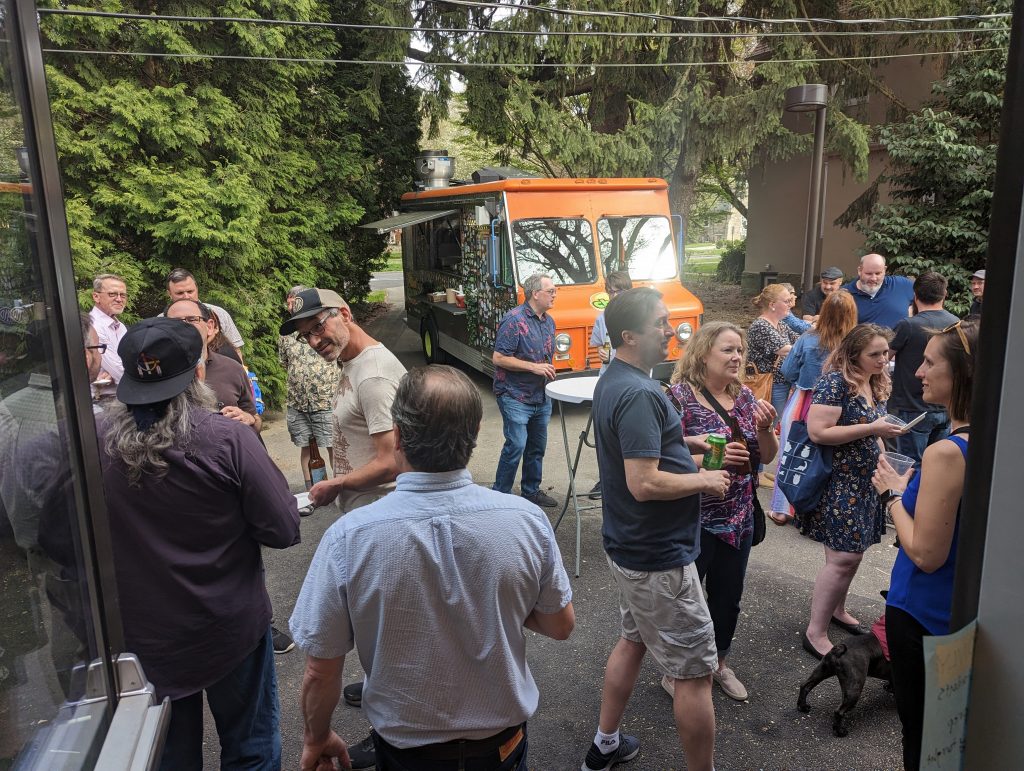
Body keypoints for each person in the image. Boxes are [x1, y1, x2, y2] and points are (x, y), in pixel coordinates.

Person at [290, 365, 575, 771]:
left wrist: (316, 737)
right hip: (501, 746)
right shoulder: (526, 520)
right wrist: (497, 599)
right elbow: (560, 625)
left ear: (399, 435)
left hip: (406, 752)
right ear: (476, 432)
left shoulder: (349, 538)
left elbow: (321, 668)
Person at [100, 317, 300, 769]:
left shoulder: (92, 443)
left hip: (144, 639)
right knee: (250, 746)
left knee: (168, 756)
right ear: (198, 375)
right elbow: (283, 529)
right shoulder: (228, 439)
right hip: (228, 627)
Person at [583, 287, 730, 771]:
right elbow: (643, 482)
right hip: (657, 558)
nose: (673, 331)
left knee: (634, 639)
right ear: (629, 335)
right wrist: (703, 478)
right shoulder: (641, 392)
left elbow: (636, 446)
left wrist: (678, 438)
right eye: (661, 323)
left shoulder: (616, 379)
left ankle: (605, 745)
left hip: (629, 547)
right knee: (694, 675)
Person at [281, 286, 405, 769]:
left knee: (384, 628)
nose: (314, 340)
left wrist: (334, 486)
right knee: (373, 622)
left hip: (383, 521)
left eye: (320, 327)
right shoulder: (352, 363)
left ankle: (388, 729)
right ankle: (378, 686)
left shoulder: (372, 376)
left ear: (345, 315)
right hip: (366, 512)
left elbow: (392, 461)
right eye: (306, 334)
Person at [871, 319, 977, 771]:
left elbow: (926, 554)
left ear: (962, 376)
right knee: (951, 737)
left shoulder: (948, 452)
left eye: (931, 362)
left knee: (923, 740)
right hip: (959, 612)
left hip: (922, 613)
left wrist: (892, 493)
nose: (918, 372)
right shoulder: (992, 438)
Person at [667, 322, 778, 701]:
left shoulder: (746, 397)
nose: (737, 357)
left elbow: (766, 456)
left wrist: (766, 429)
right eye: (728, 350)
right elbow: (662, 454)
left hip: (739, 515)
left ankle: (718, 664)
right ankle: (677, 670)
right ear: (702, 354)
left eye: (739, 351)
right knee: (687, 598)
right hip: (693, 516)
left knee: (728, 595)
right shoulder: (678, 398)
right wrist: (706, 459)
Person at [800, 324, 906, 658]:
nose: (882, 359)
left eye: (885, 353)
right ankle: (815, 632)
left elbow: (868, 429)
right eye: (874, 354)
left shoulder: (873, 381)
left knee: (852, 553)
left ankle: (836, 609)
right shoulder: (836, 382)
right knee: (844, 557)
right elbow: (818, 432)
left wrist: (882, 447)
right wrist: (874, 427)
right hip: (840, 481)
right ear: (853, 353)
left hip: (865, 481)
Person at [770, 290, 859, 525]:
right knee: (832, 458)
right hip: (843, 403)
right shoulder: (856, 342)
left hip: (805, 401)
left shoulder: (808, 338)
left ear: (825, 312)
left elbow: (788, 371)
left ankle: (783, 509)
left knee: (792, 453)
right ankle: (821, 510)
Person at [491, 272, 558, 508]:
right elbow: (498, 358)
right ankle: (500, 496)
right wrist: (533, 368)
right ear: (535, 293)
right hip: (514, 395)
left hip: (541, 396)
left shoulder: (549, 321)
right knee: (517, 445)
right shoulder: (514, 320)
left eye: (554, 290)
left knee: (536, 448)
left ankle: (531, 492)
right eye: (550, 291)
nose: (554, 294)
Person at [889, 272, 958, 466]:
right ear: (944, 294)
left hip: (911, 407)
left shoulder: (908, 325)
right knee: (937, 464)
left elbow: (883, 357)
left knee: (910, 466)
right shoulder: (956, 324)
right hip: (945, 406)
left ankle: (909, 498)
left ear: (915, 295)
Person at [165, 299, 260, 433]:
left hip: (227, 450)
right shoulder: (156, 373)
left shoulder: (233, 368)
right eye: (175, 322)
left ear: (210, 327)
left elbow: (255, 419)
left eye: (192, 319)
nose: (183, 326)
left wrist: (248, 418)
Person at [278, 285, 339, 488]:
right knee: (307, 447)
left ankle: (340, 486)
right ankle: (311, 489)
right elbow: (285, 363)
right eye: (289, 302)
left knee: (332, 446)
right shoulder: (285, 335)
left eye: (294, 302)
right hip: (298, 403)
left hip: (326, 401)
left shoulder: (324, 329)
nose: (290, 306)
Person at [587, 270, 633, 499]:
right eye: (611, 292)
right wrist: (602, 353)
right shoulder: (602, 317)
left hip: (631, 384)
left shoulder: (639, 318)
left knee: (629, 435)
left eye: (619, 291)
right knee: (604, 435)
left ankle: (629, 480)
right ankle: (605, 480)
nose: (614, 296)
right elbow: (598, 346)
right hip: (607, 380)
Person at [165, 267, 246, 365]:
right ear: (169, 294)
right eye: (180, 293)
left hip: (221, 372)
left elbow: (236, 349)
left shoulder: (219, 314)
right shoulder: (162, 321)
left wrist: (242, 375)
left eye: (190, 291)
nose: (186, 297)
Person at [746, 283, 800, 420]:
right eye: (787, 301)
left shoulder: (780, 324)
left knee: (773, 422)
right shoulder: (761, 326)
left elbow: (799, 340)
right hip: (768, 383)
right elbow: (786, 350)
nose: (791, 304)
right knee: (768, 423)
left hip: (779, 382)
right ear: (772, 305)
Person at [842, 253, 915, 329]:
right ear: (859, 271)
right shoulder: (844, 295)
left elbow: (925, 306)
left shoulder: (902, 285)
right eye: (869, 274)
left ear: (884, 270)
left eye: (878, 273)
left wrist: (913, 311)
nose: (873, 278)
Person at [88, 273, 128, 399]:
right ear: (96, 296)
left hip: (119, 395)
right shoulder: (93, 326)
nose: (119, 299)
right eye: (112, 294)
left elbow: (129, 360)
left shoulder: (120, 326)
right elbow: (118, 370)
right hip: (102, 401)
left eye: (123, 295)